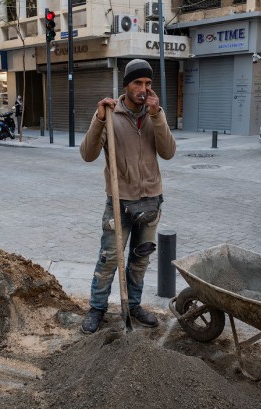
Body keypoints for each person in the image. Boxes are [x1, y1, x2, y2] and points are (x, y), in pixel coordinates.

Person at [79, 59, 177, 334]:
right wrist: (99, 119)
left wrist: (157, 116)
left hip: (151, 201)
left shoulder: (155, 114)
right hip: (120, 203)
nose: (143, 89)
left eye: (147, 83)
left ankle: (134, 305)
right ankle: (97, 308)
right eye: (138, 83)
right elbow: (87, 155)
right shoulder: (110, 115)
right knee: (109, 258)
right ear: (127, 85)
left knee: (140, 259)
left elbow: (168, 152)